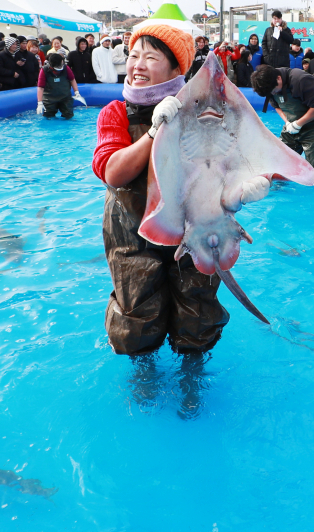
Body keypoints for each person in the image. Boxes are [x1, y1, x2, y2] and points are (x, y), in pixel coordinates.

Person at [92, 22, 235, 413]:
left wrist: (239, 193)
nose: (137, 65)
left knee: (197, 302)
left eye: (151, 58)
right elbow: (113, 172)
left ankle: (192, 377)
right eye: (133, 55)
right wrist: (155, 130)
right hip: (130, 229)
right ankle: (145, 377)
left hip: (191, 224)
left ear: (177, 71)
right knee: (136, 304)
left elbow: (223, 165)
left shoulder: (202, 111)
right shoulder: (115, 112)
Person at [250, 62, 314, 179]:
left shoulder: (301, 80)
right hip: (291, 125)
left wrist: (299, 124)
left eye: (274, 91)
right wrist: (288, 122)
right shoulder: (268, 84)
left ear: (279, 78)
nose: (273, 94)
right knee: (277, 163)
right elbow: (276, 106)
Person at [36, 51, 88, 119]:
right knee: (48, 117)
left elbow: (72, 80)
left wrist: (76, 92)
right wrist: (40, 102)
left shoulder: (66, 68)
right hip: (49, 99)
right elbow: (40, 88)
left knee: (68, 115)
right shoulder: (44, 71)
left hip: (65, 97)